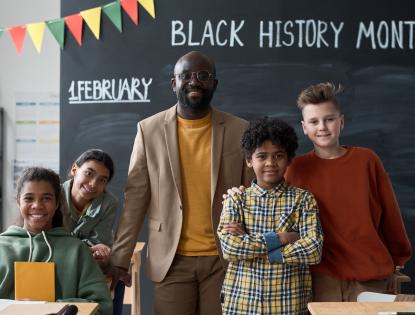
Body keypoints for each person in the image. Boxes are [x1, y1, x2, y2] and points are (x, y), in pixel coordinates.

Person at [109, 50, 254, 314]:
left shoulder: (239, 130)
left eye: (203, 75)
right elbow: (135, 200)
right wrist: (120, 258)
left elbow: (253, 196)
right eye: (185, 75)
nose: (194, 81)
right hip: (171, 259)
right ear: (173, 83)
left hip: (225, 259)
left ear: (215, 83)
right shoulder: (148, 130)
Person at [285, 82, 412, 301]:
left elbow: (390, 214)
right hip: (319, 278)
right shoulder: (295, 169)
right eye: (314, 121)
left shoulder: (367, 160)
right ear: (304, 127)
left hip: (371, 276)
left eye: (329, 119)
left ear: (341, 122)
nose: (322, 127)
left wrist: (397, 261)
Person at [218, 117, 323, 315]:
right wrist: (284, 238)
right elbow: (230, 248)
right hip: (241, 303)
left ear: (289, 159)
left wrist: (251, 247)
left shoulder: (303, 200)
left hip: (289, 304)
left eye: (278, 156)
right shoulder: (236, 200)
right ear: (249, 160)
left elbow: (313, 250)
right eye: (262, 156)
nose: (270, 163)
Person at [0, 167, 112, 315]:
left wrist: (50, 307)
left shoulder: (76, 250)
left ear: (57, 203)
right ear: (18, 202)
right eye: (29, 198)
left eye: (46, 198)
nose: (37, 205)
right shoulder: (2, 247)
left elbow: (102, 306)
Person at [62, 149, 117, 262]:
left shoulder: (108, 204)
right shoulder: (53, 196)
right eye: (89, 173)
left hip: (85, 261)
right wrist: (87, 248)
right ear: (74, 169)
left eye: (102, 180)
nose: (93, 184)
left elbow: (98, 242)